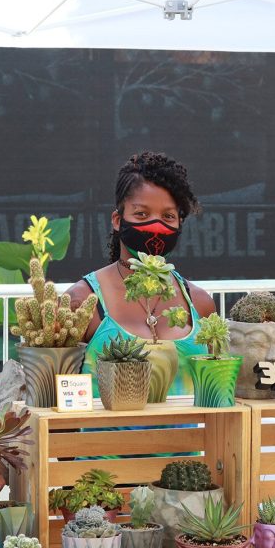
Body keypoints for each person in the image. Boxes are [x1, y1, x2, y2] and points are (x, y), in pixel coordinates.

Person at [66, 151, 216, 396]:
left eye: (168, 216)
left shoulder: (199, 302)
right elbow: (55, 397)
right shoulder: (83, 301)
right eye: (141, 214)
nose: (156, 225)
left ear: (180, 223)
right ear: (117, 220)